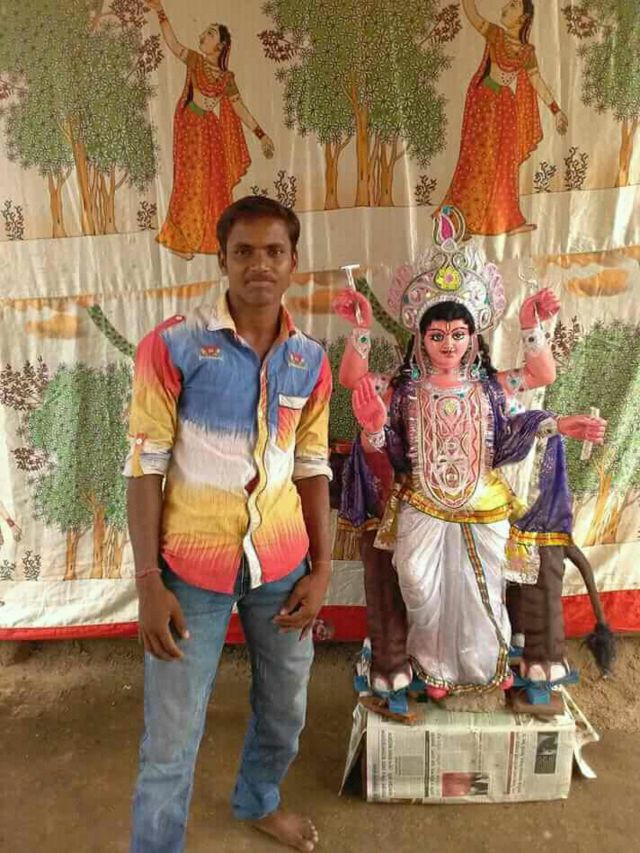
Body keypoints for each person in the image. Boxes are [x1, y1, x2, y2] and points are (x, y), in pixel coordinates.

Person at [126, 196, 332, 853]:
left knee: (286, 708)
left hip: (282, 567)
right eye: (244, 251)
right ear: (222, 259)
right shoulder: (173, 344)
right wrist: (148, 582)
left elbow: (312, 466)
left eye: (274, 252)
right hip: (191, 573)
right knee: (171, 736)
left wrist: (322, 570)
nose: (259, 264)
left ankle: (258, 799)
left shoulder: (309, 359)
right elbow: (145, 466)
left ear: (293, 263)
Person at [339, 208, 605, 701]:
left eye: (458, 335)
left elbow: (541, 375)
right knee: (416, 582)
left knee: (483, 589)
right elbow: (353, 379)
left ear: (473, 337)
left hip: (484, 505)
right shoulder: (403, 388)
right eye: (437, 335)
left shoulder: (491, 387)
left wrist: (530, 326)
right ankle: (432, 666)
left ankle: (485, 665)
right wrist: (361, 330)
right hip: (422, 504)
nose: (448, 345)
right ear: (421, 337)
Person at [148, 1, 275, 259]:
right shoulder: (195, 61)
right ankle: (182, 241)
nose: (203, 36)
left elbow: (239, 108)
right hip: (189, 128)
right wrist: (160, 11)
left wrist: (261, 134)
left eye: (210, 34)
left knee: (213, 185)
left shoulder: (226, 78)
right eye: (204, 32)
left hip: (210, 131)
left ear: (220, 46)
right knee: (189, 183)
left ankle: (211, 239)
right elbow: (173, 44)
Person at [440, 0, 568, 236]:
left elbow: (536, 81)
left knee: (505, 165)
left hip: (506, 108)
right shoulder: (495, 34)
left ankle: (509, 222)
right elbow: (472, 14)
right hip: (483, 103)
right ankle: (461, 221)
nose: (505, 8)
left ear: (523, 18)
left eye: (513, 5)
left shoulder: (527, 52)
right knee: (476, 161)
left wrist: (556, 110)